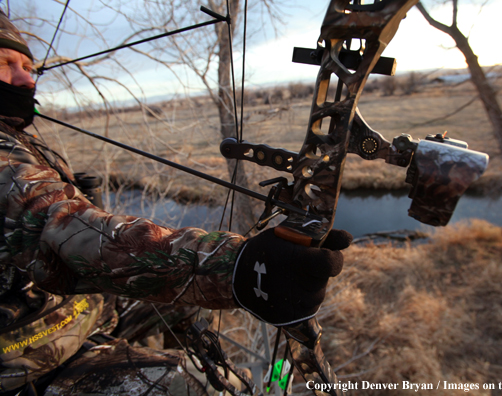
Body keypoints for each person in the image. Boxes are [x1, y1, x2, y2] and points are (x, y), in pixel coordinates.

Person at [0, 11, 351, 395]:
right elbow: (64, 230)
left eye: (28, 65)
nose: (26, 79)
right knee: (196, 387)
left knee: (194, 323)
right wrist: (240, 267)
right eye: (6, 64)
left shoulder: (19, 141)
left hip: (83, 320)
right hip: (26, 364)